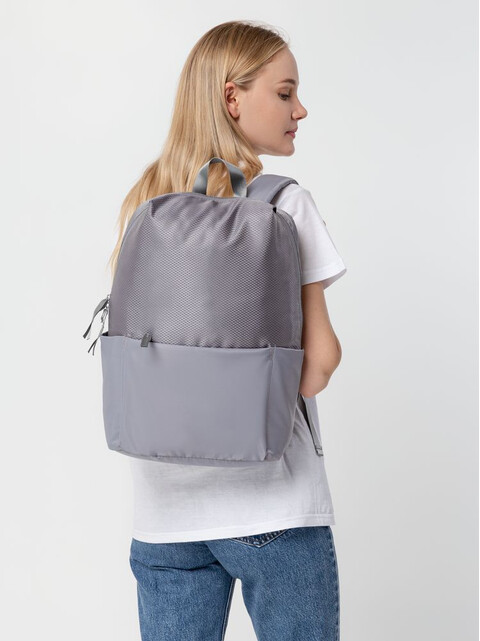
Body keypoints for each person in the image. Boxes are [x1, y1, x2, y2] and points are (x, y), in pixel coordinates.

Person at [108, 19, 347, 641]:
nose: (300, 110)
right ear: (231, 96)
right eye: (285, 92)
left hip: (163, 518)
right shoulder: (282, 203)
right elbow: (318, 367)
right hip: (273, 508)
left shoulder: (146, 201)